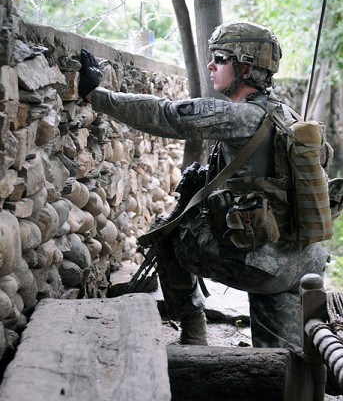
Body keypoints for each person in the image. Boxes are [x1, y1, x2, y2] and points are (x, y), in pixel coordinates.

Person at [78, 21, 329, 353]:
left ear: (246, 67)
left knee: (164, 234)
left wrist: (97, 94)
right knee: (280, 360)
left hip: (262, 266)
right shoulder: (288, 115)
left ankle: (194, 332)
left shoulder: (239, 116)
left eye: (221, 59)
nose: (211, 65)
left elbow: (166, 115)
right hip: (301, 262)